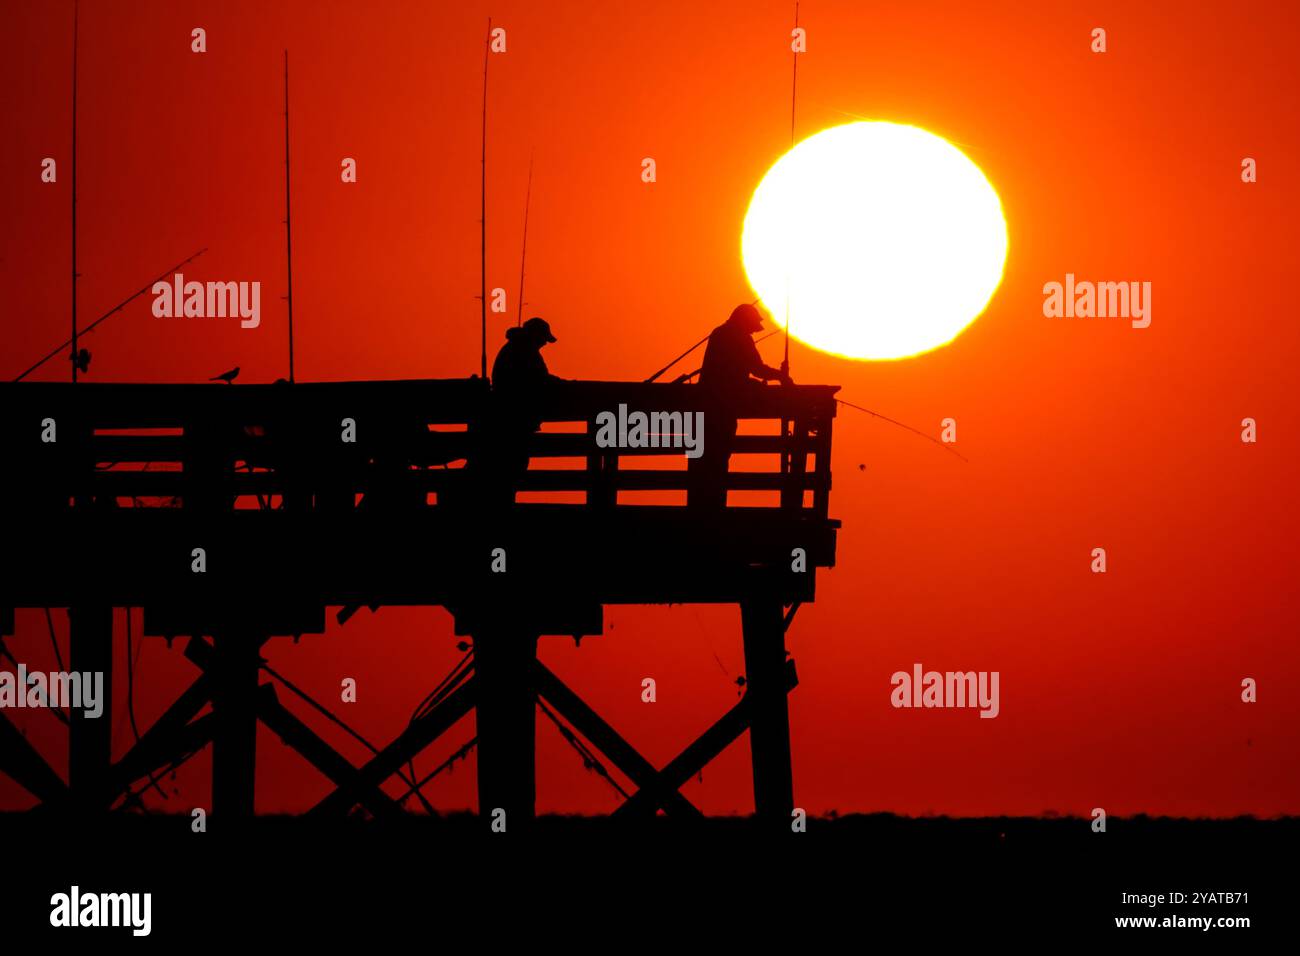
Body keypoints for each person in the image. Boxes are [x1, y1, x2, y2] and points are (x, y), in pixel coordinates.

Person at [688, 303, 793, 509]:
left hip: (703, 408)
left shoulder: (719, 333)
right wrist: (781, 375)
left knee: (700, 462)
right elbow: (757, 369)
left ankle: (699, 509)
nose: (754, 329)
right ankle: (714, 509)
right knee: (718, 460)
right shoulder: (741, 338)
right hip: (722, 410)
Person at [475, 317, 561, 506]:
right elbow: (540, 380)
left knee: (507, 469)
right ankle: (504, 505)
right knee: (512, 468)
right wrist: (565, 386)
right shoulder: (525, 351)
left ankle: (502, 503)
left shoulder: (516, 348)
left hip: (507, 420)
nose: (544, 343)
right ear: (535, 335)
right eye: (543, 339)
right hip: (515, 422)